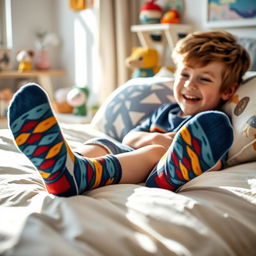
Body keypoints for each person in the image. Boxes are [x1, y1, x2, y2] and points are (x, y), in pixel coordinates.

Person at [8, 30, 250, 196]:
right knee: (102, 143)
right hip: (129, 157)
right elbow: (130, 138)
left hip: (165, 168)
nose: (189, 85)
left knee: (155, 152)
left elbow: (216, 161)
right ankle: (66, 166)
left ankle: (85, 175)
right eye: (185, 75)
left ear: (228, 91)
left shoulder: (215, 123)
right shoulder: (167, 111)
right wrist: (156, 137)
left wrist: (166, 147)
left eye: (204, 79)